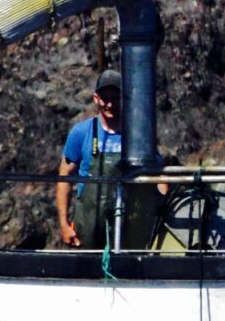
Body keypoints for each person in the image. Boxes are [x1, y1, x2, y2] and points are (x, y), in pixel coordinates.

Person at [55, 69, 155, 250]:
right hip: (88, 226)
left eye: (115, 98)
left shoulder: (137, 134)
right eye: (105, 98)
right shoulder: (81, 132)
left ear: (124, 98)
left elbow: (157, 174)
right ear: (96, 98)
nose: (109, 104)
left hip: (128, 225)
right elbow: (64, 177)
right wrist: (63, 224)